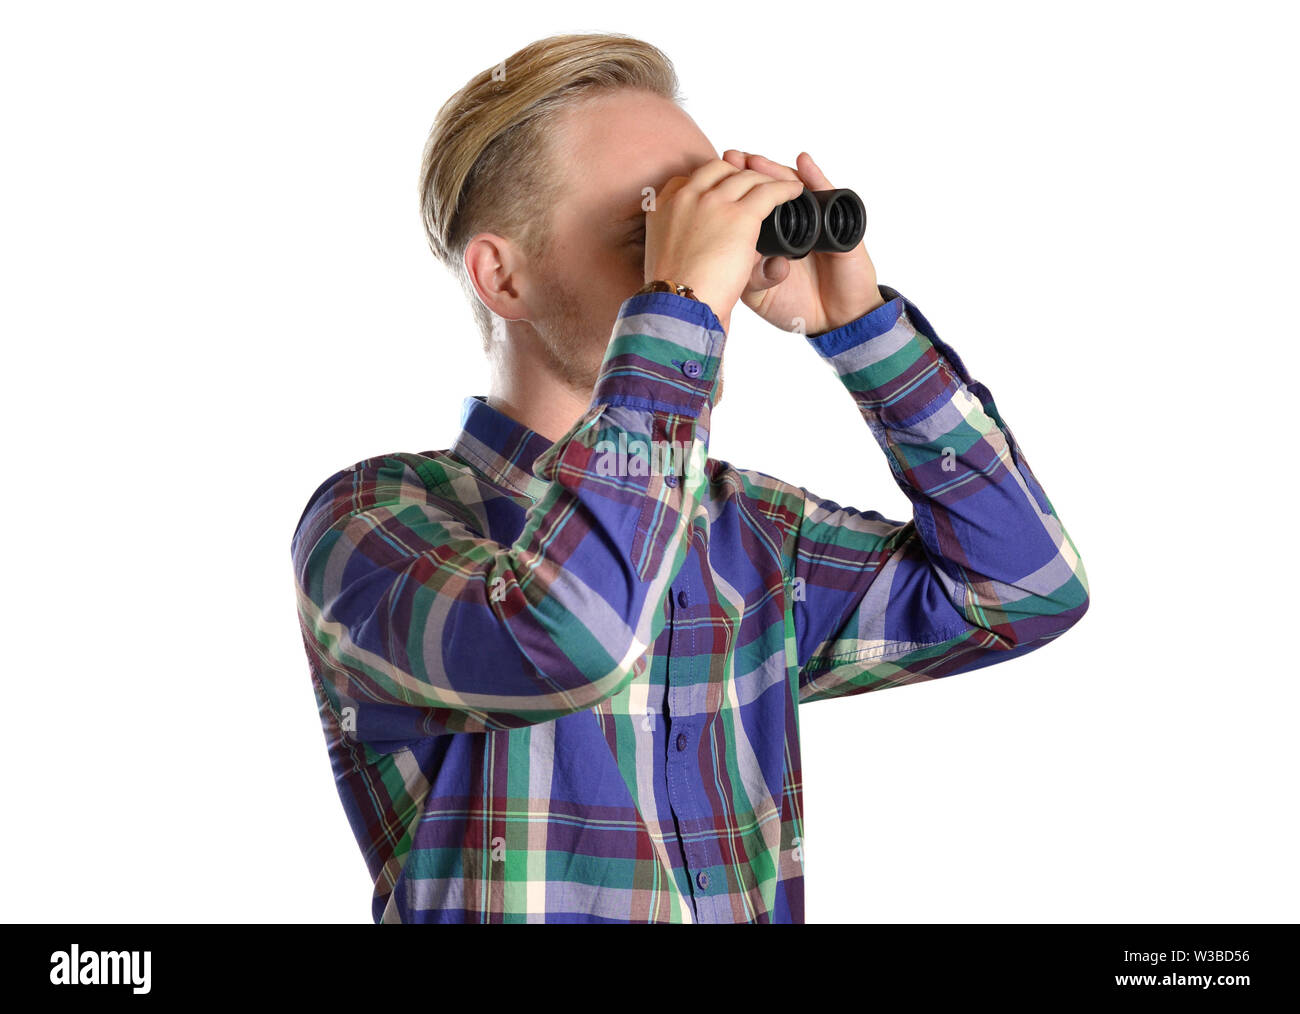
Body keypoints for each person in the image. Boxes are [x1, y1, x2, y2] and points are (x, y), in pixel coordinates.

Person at [288, 32, 1090, 924]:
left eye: (706, 232)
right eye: (650, 232)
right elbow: (573, 634)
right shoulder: (372, 521)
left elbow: (1026, 590)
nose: (706, 272)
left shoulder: (745, 534)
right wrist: (677, 306)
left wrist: (859, 329)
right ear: (502, 277)